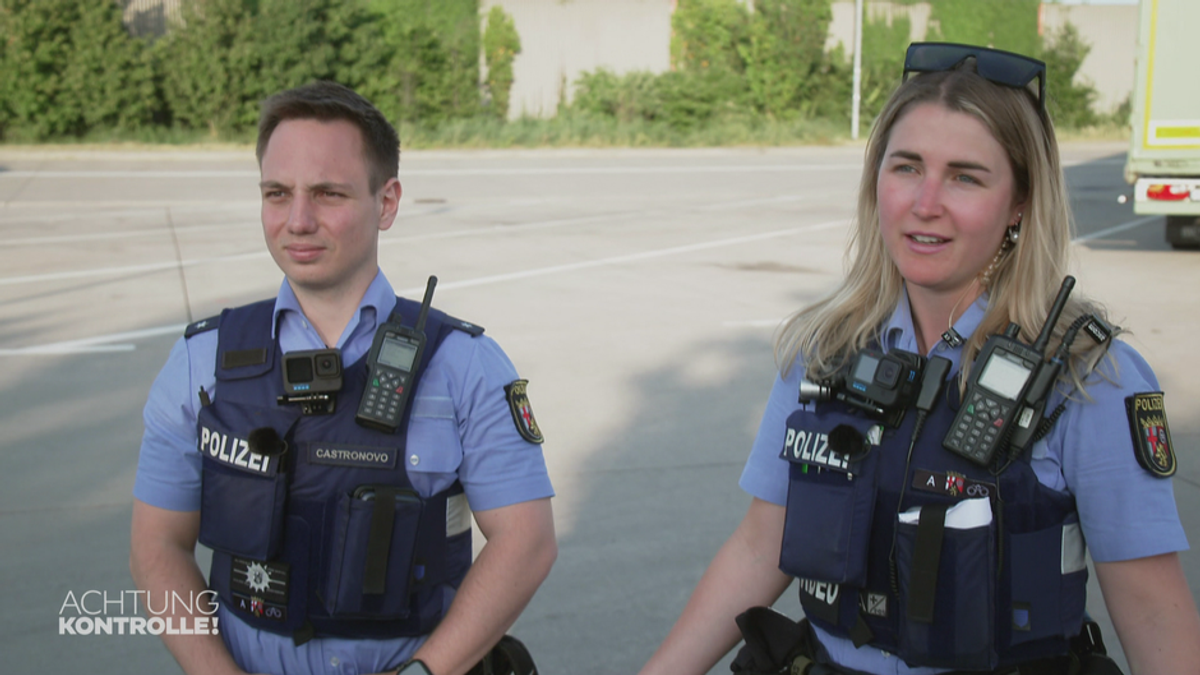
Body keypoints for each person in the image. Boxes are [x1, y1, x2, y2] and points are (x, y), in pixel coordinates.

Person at [638, 43, 1200, 675]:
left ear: (1020, 203)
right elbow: (760, 544)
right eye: (906, 167)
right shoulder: (825, 354)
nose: (925, 202)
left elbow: (1153, 611)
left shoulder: (1088, 380)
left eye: (965, 176)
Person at [130, 81, 557, 675]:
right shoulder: (202, 362)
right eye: (277, 193)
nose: (298, 220)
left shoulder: (465, 365)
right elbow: (158, 543)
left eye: (328, 193)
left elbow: (527, 542)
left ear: (386, 202)